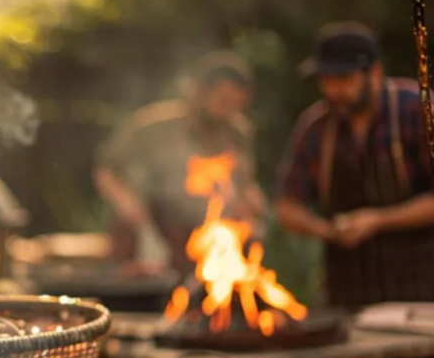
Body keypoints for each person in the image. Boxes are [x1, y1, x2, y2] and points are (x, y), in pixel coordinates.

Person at [275, 22, 434, 308]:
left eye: (344, 79)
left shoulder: (417, 111)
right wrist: (326, 230)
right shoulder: (317, 128)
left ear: (374, 73)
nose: (334, 90)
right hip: (347, 294)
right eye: (327, 80)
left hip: (422, 289)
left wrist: (378, 220)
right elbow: (287, 205)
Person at [94, 51, 267, 277]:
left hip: (203, 235)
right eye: (224, 100)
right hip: (151, 229)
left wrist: (251, 208)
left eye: (236, 103)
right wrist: (128, 205)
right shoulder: (154, 126)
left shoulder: (238, 133)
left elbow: (244, 185)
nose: (229, 110)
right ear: (200, 93)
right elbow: (106, 170)